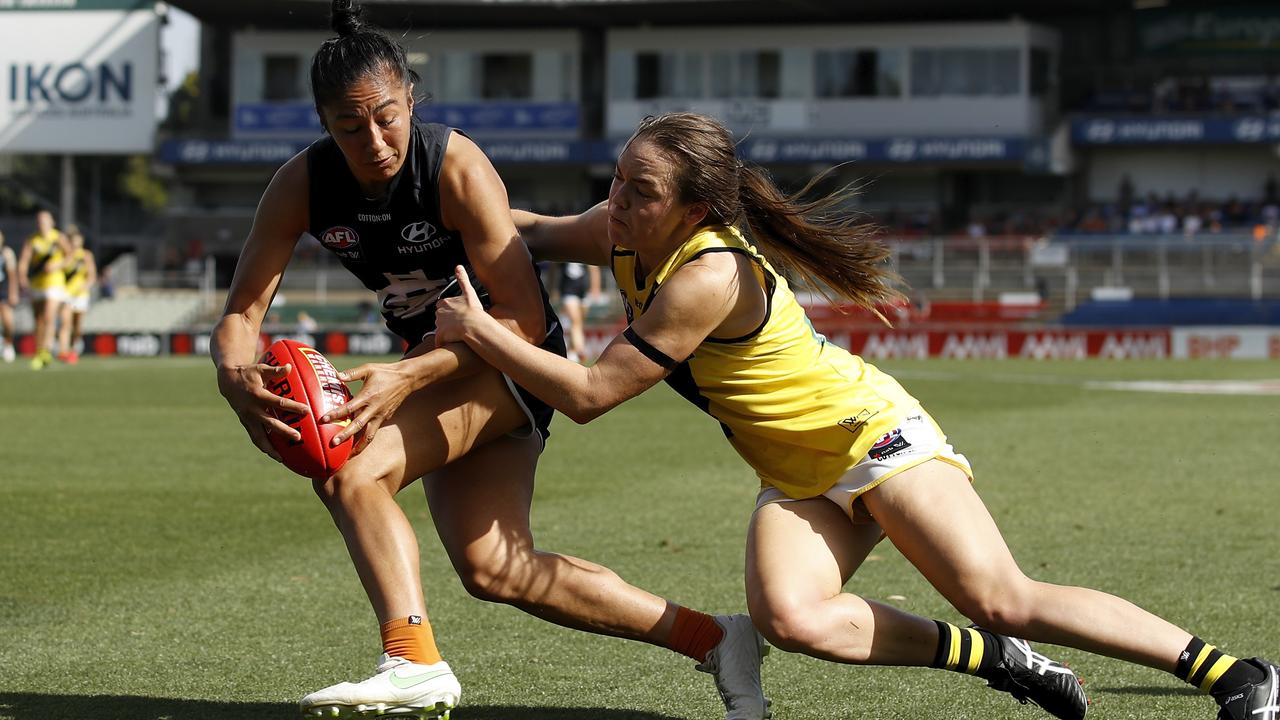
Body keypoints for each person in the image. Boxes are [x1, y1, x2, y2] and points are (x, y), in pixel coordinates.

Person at [433, 112, 1279, 720]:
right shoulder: (624, 231)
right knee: (791, 620)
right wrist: (423, 193)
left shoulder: (708, 274)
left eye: (639, 189)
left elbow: (588, 396)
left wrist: (476, 331)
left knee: (1004, 595)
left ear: (693, 210)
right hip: (798, 475)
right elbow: (532, 228)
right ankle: (999, 664)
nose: (616, 199)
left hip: (871, 438)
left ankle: (1233, 674)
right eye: (615, 178)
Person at [211, 7, 766, 720]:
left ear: (410, 98)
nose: (374, 141)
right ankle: (717, 638)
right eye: (350, 128)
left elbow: (525, 317)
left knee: (350, 469)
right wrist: (235, 378)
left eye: (386, 117)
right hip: (442, 363)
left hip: (514, 359)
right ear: (323, 122)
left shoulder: (455, 165)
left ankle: (411, 662)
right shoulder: (302, 184)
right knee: (494, 570)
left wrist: (409, 373)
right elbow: (239, 315)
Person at [17, 209, 70, 370]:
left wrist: (57, 265)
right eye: (39, 221)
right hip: (37, 283)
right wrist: (22, 278)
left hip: (54, 283)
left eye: (45, 221)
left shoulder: (58, 238)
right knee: (38, 319)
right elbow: (24, 261)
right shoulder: (33, 240)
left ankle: (46, 350)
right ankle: (40, 351)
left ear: (51, 222)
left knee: (49, 316)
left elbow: (69, 255)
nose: (42, 224)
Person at [57, 226, 96, 364]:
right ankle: (63, 352)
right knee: (65, 323)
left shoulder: (86, 256)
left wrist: (85, 286)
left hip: (81, 295)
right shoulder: (64, 256)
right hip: (66, 294)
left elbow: (91, 276)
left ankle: (74, 346)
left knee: (77, 326)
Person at [556, 261, 601, 363]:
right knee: (575, 321)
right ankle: (580, 350)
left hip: (584, 290)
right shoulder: (561, 249)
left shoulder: (584, 248)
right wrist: (553, 288)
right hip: (567, 290)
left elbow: (594, 268)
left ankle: (572, 352)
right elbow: (554, 269)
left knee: (579, 323)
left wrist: (595, 288)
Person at [0, 234, 17, 362]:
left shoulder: (7, 253)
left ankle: (8, 344)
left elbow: (12, 275)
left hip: (4, 291)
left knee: (8, 321)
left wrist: (13, 292)